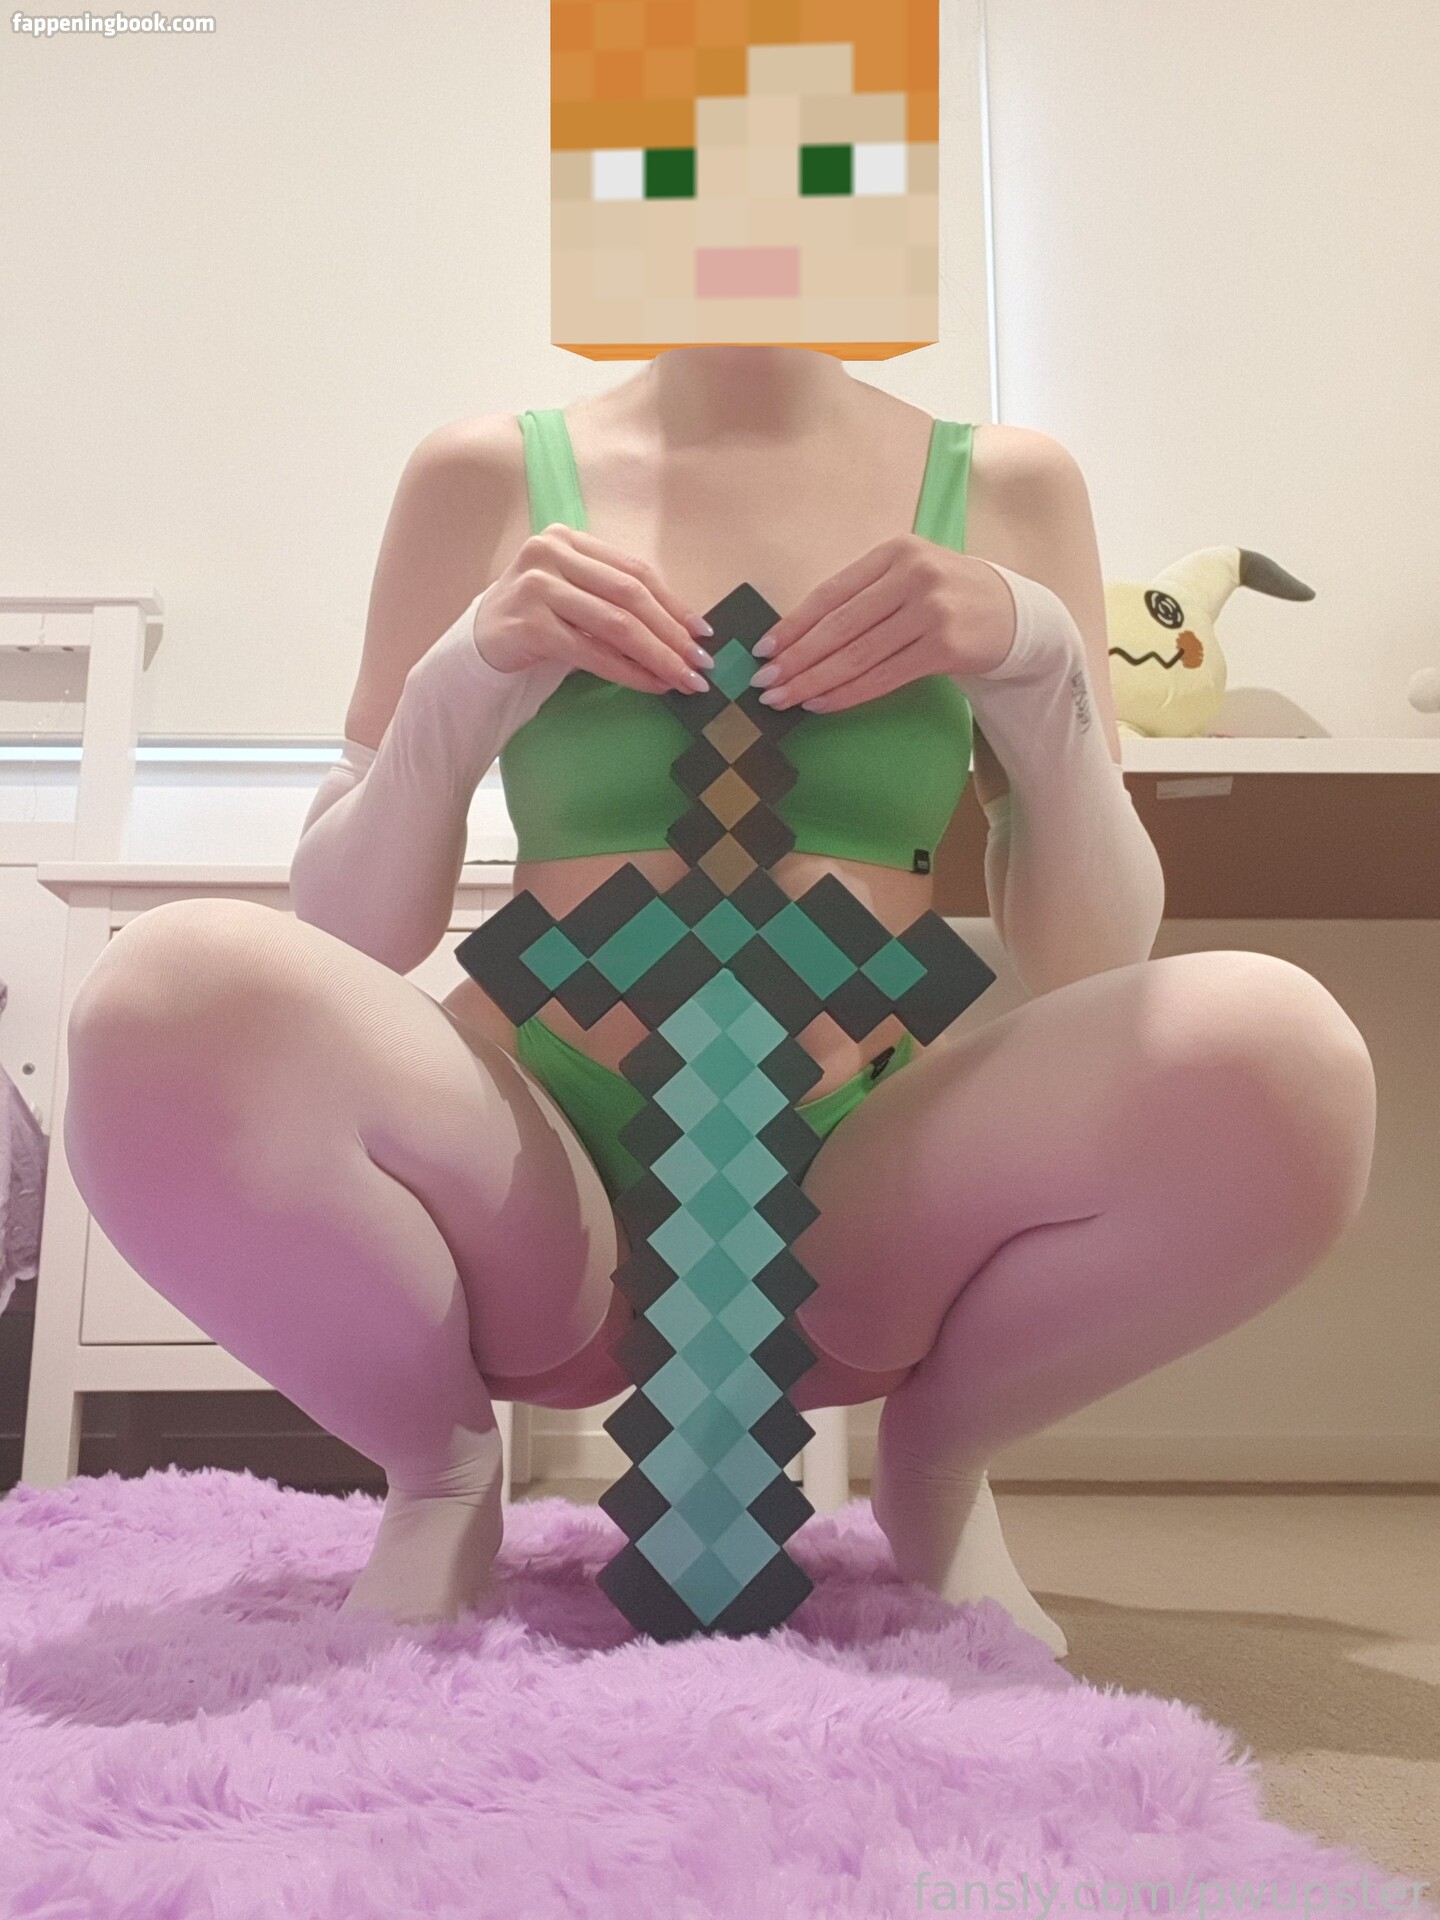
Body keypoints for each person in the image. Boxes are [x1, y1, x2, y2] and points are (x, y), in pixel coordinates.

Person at [58, 16, 1377, 1652]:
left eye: (811, 154)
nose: (749, 199)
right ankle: (439, 1474)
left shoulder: (1008, 484)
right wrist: (463, 686)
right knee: (167, 987)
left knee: (1283, 1052)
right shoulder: (486, 474)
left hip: (861, 1183)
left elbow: (1095, 957)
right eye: (687, 152)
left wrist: (1040, 666)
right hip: (537, 1162)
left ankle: (940, 1467)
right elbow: (352, 930)